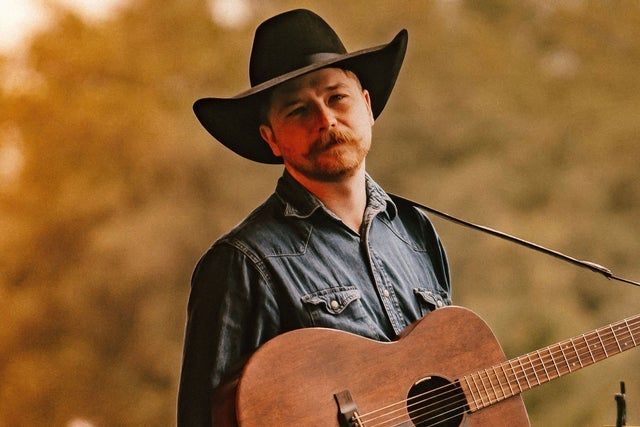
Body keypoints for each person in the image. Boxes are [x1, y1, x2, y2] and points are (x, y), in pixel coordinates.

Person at [178, 9, 451, 426]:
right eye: (298, 111)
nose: (325, 120)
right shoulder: (242, 264)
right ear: (271, 139)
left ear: (366, 105)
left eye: (336, 97)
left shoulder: (415, 232)